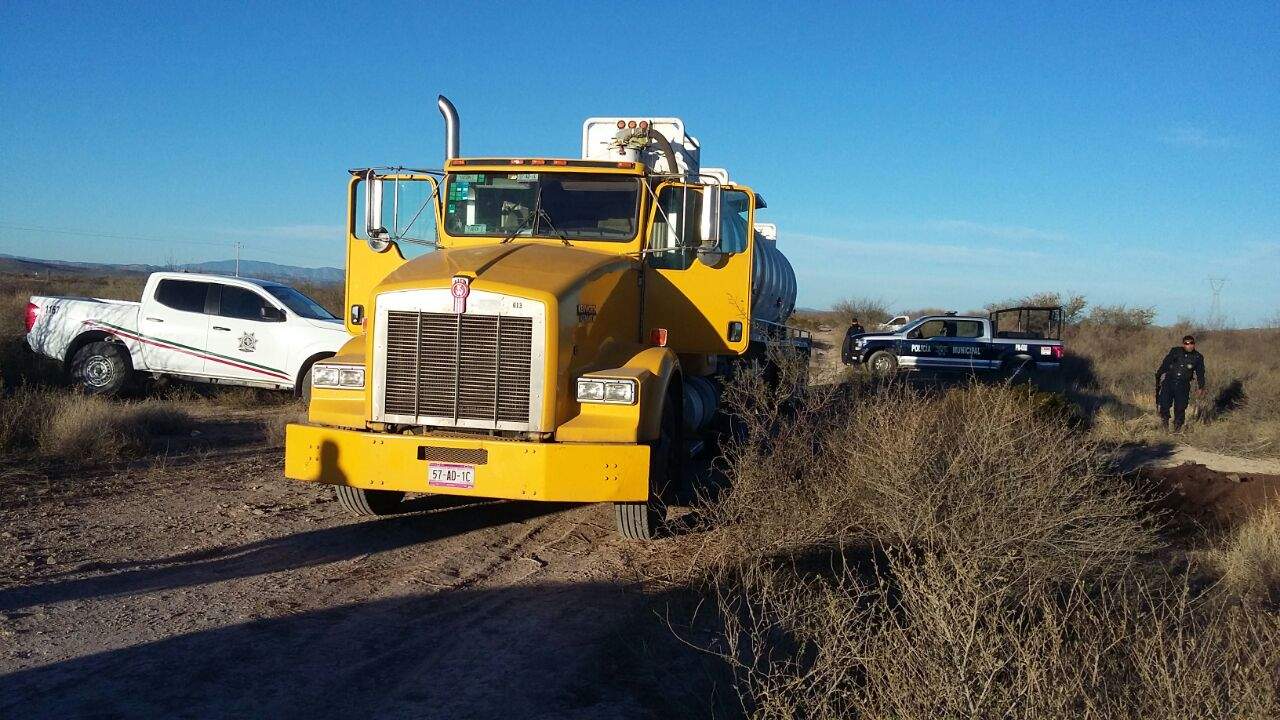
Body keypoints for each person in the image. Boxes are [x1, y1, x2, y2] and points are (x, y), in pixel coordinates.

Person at [1155, 334, 1206, 432]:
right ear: (1183, 344)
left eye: (1191, 343)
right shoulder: (1175, 351)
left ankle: (1177, 429)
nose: (1189, 345)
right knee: (1164, 404)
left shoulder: (1198, 357)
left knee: (1180, 407)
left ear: (1194, 344)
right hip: (1169, 382)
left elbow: (1200, 373)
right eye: (1186, 343)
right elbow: (1165, 364)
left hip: (1183, 384)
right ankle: (1164, 427)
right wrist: (1158, 375)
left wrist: (1201, 387)